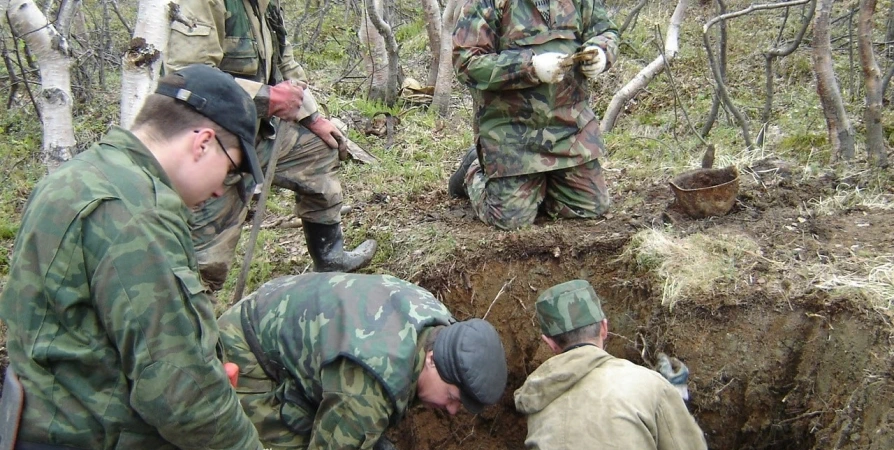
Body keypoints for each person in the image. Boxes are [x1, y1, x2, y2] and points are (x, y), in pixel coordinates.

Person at [0, 65, 266, 449]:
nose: (220, 192)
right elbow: (178, 389)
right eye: (230, 171)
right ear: (203, 142)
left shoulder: (77, 176)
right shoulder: (137, 214)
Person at [165, 0, 377, 289]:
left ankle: (330, 256)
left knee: (320, 146)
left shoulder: (265, 4)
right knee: (206, 263)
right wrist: (268, 97)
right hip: (211, 145)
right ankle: (199, 319)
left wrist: (311, 117)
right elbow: (189, 78)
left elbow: (286, 65)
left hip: (258, 131)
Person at [217, 272, 509, 449]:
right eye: (453, 397)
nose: (453, 410)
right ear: (432, 360)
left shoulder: (435, 319)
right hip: (247, 348)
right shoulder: (367, 393)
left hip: (283, 307)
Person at [451, 0, 619, 230]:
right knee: (510, 220)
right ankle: (473, 170)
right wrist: (530, 66)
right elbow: (466, 63)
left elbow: (605, 31)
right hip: (511, 132)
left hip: (570, 127)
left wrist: (601, 52)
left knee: (590, 207)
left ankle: (539, 185)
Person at [514, 280, 708, 449]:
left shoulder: (536, 403)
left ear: (550, 343)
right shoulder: (650, 385)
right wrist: (676, 395)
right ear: (604, 328)